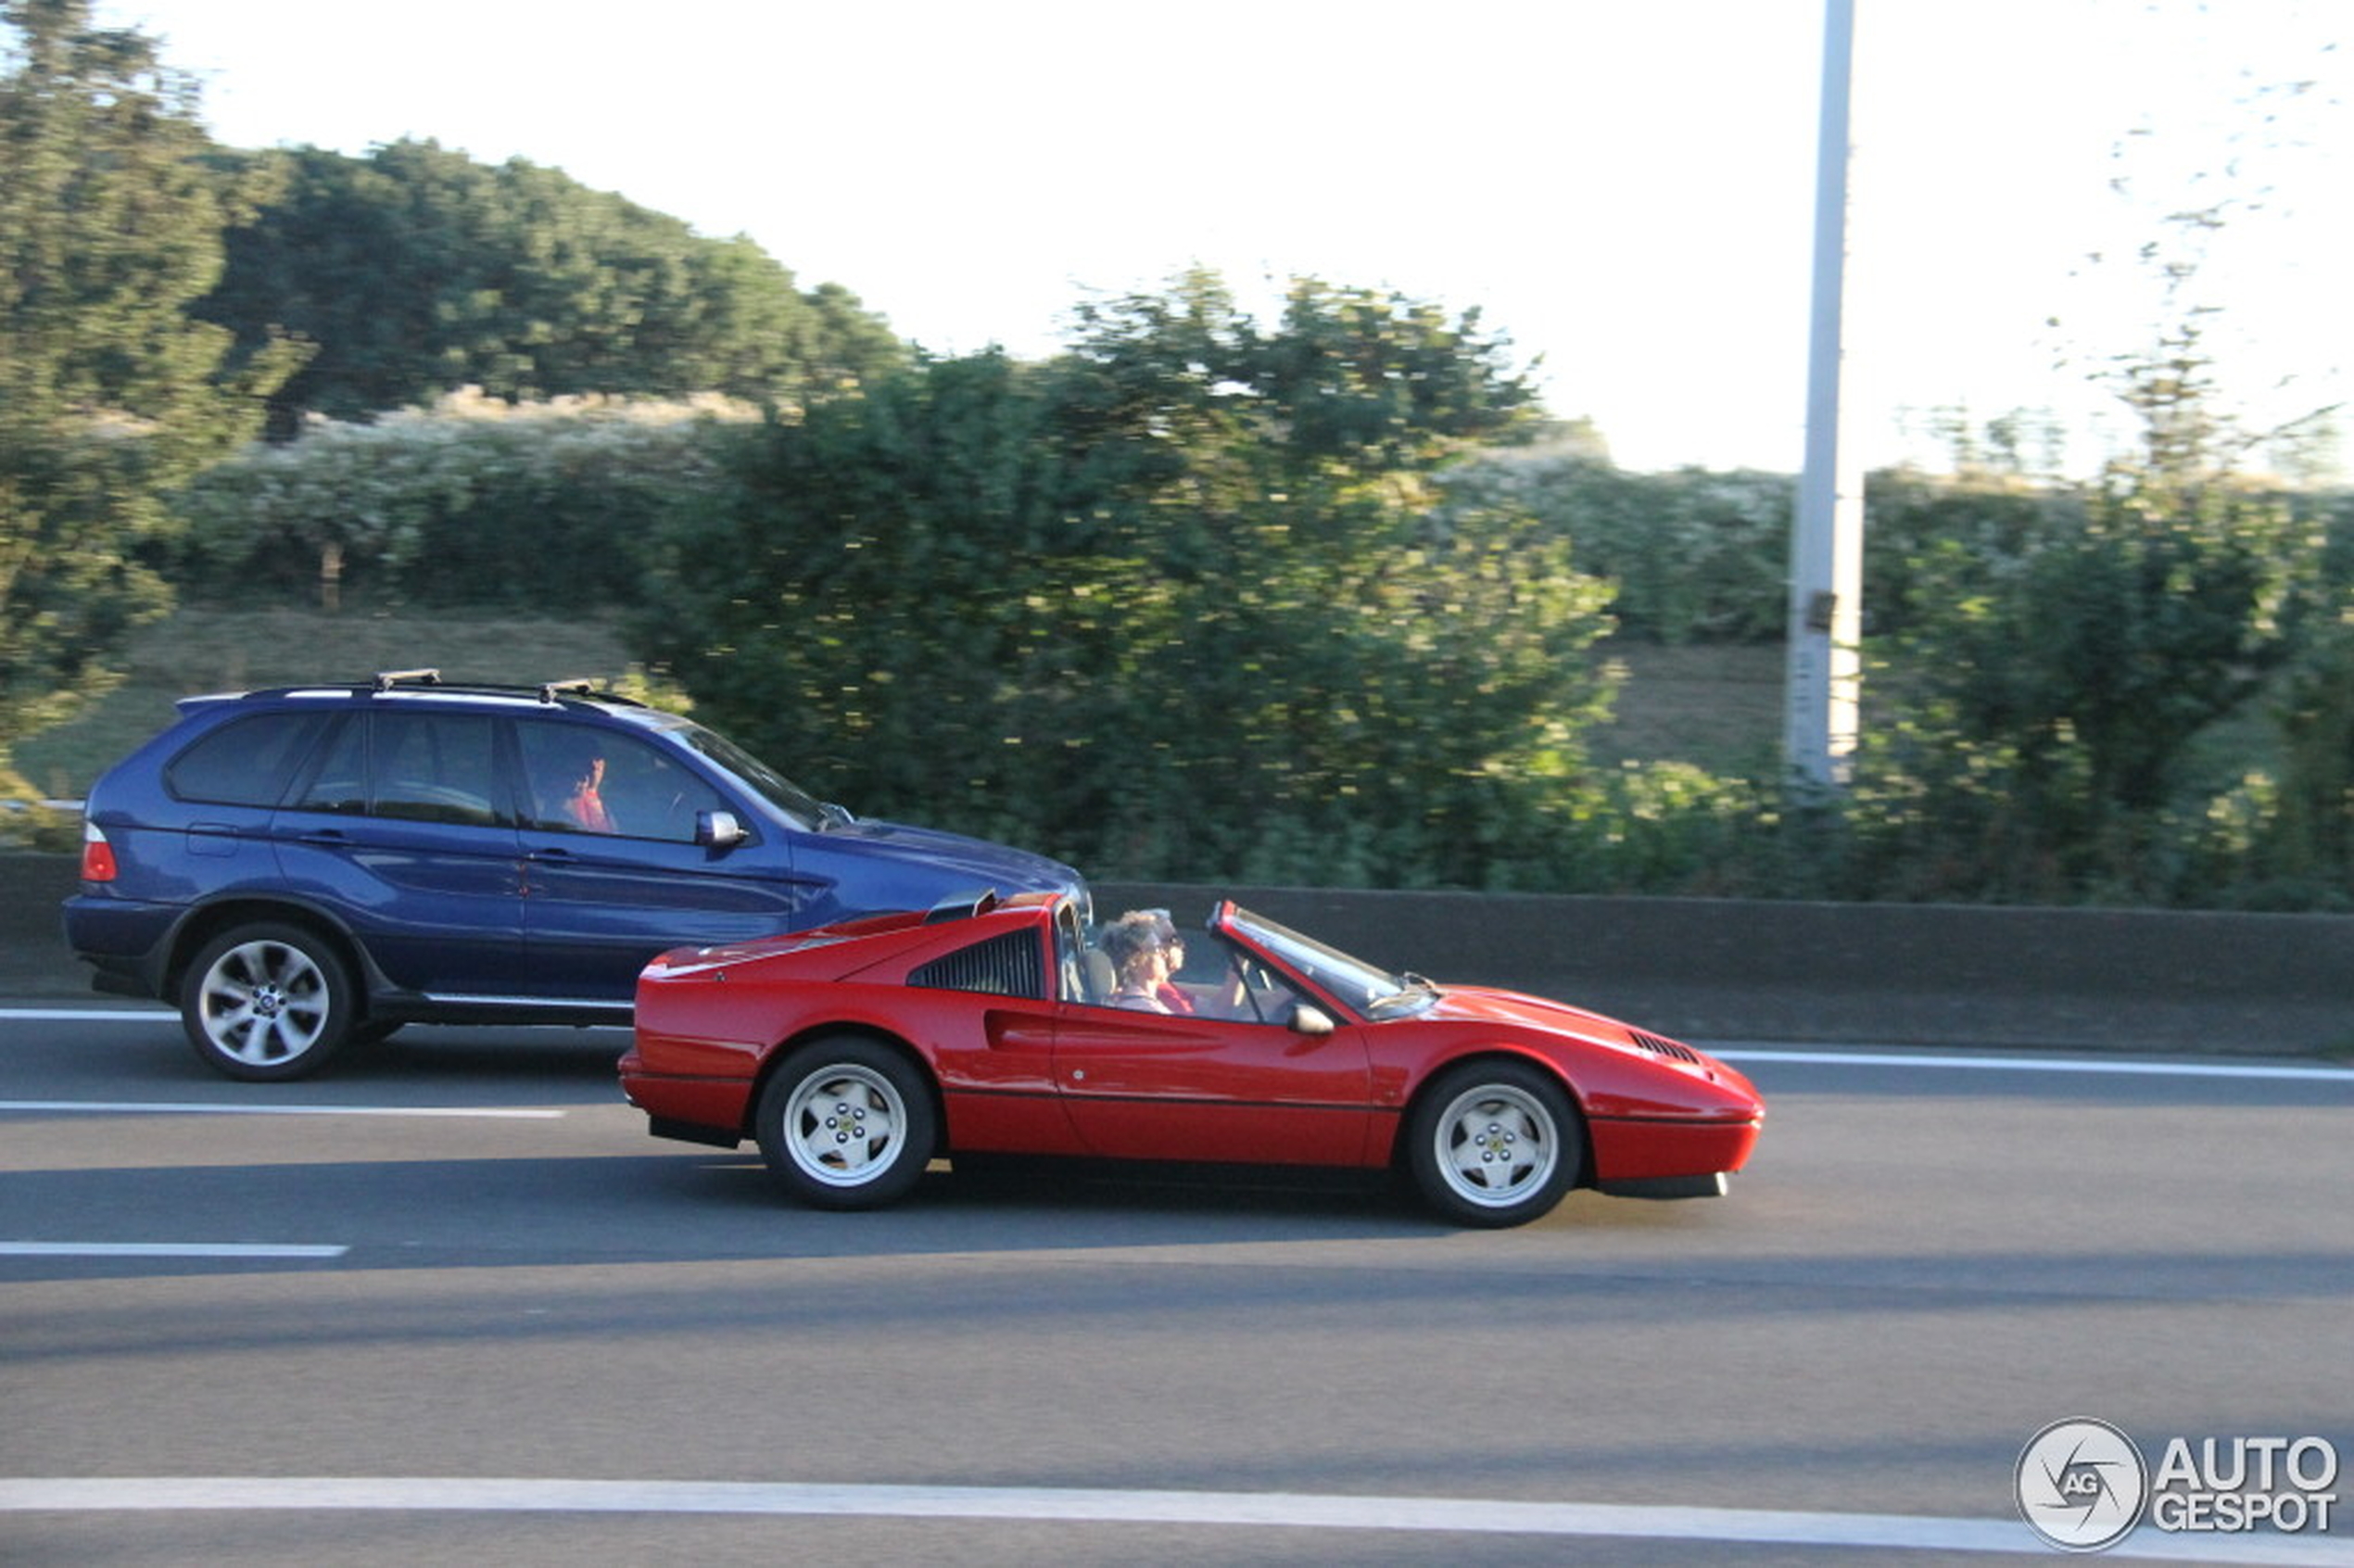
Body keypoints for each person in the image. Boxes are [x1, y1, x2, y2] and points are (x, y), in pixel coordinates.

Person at [1097, 912, 1173, 1013]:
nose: (1165, 954)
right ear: (1134, 962)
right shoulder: (1148, 1010)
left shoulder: (1122, 1000)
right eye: (1157, 949)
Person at [563, 753, 615, 833]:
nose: (594, 766)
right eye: (589, 760)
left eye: (598, 759)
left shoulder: (614, 803)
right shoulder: (561, 798)